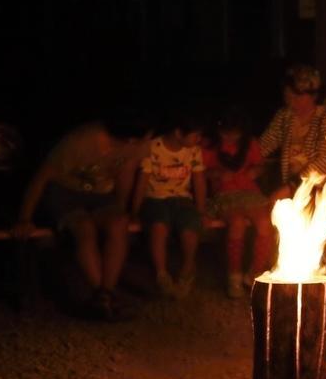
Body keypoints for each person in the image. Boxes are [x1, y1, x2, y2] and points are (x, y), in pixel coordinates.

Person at [13, 110, 150, 319]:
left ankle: (106, 294)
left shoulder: (139, 141)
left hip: (101, 194)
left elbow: (126, 174)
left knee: (119, 223)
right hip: (65, 192)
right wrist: (25, 218)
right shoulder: (81, 141)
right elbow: (41, 178)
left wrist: (123, 207)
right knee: (83, 228)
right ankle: (101, 295)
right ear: (128, 136)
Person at [132, 111, 207, 299]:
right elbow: (142, 180)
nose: (199, 138)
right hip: (155, 198)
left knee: (189, 227)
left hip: (182, 199)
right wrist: (134, 209)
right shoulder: (153, 148)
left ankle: (187, 269)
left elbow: (199, 180)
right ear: (178, 133)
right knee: (159, 227)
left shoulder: (194, 151)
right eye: (195, 134)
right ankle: (161, 274)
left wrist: (201, 209)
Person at [204, 107, 273, 298]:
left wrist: (255, 171)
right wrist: (217, 174)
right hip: (225, 196)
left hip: (250, 194)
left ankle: (254, 274)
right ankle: (234, 277)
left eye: (234, 134)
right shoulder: (210, 146)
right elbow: (199, 172)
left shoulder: (249, 144)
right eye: (226, 133)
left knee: (265, 223)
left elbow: (260, 166)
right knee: (237, 223)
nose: (230, 138)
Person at [259, 64, 326, 196]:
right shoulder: (285, 117)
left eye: (297, 95)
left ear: (314, 95)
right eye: (288, 94)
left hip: (324, 192)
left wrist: (293, 185)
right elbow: (263, 146)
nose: (291, 99)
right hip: (295, 193)